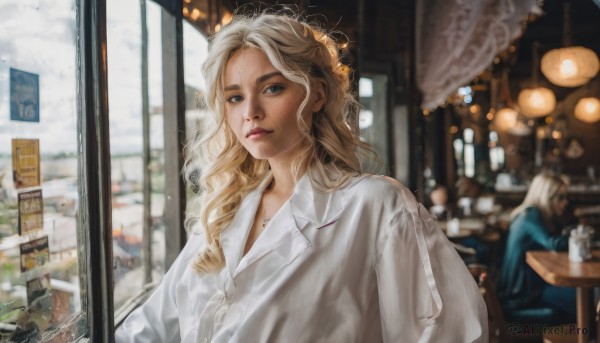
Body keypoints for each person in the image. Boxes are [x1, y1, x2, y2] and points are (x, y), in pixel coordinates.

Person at [115, 10, 487, 342]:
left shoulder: (374, 207)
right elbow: (148, 329)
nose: (251, 112)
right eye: (234, 98)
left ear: (317, 95)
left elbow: (450, 332)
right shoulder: (222, 216)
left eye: (272, 88)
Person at [497, 173, 575, 323]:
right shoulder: (530, 215)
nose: (565, 202)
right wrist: (584, 238)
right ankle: (585, 335)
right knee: (589, 295)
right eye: (560, 197)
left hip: (526, 290)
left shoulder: (530, 214)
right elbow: (554, 244)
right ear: (546, 197)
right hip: (520, 298)